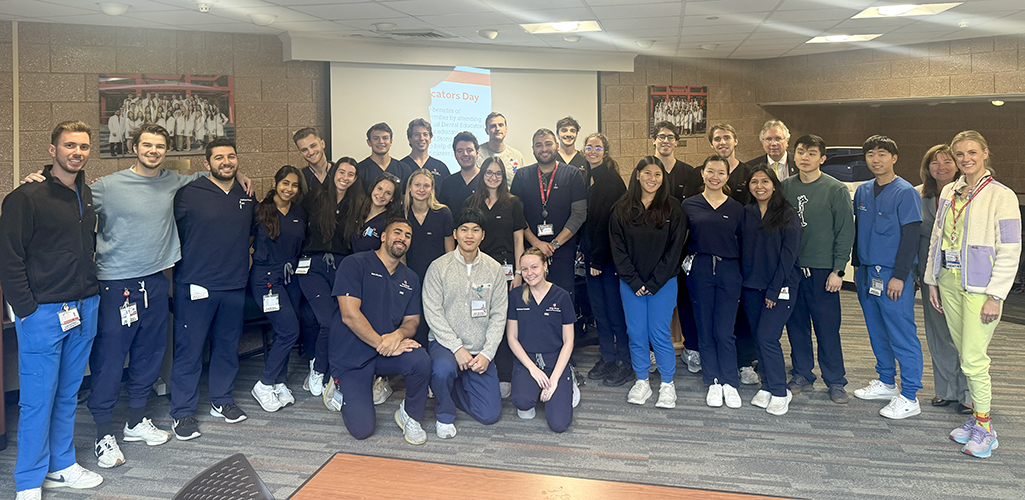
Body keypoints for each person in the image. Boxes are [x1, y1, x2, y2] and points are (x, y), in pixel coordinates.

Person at [1, 121, 104, 499]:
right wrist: (25, 309)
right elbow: (9, 257)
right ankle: (28, 480)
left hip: (85, 307)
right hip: (43, 312)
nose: (77, 152)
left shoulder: (86, 193)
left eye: (83, 146)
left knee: (67, 394)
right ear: (52, 150)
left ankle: (61, 464)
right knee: (36, 399)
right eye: (69, 145)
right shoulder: (26, 197)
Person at [925, 130, 1021, 458]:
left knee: (975, 358)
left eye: (972, 153)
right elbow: (939, 235)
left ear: (984, 153)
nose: (966, 159)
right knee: (964, 355)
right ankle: (977, 421)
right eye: (960, 154)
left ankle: (985, 427)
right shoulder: (952, 190)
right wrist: (932, 280)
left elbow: (1010, 248)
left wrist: (996, 295)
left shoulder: (1001, 195)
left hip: (981, 288)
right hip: (950, 281)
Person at [169, 138, 255, 441]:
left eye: (231, 157)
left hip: (234, 284)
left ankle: (222, 400)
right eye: (219, 158)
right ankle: (182, 413)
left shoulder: (246, 196)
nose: (226, 162)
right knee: (189, 350)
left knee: (227, 347)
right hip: (195, 283)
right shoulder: (188, 194)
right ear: (207, 164)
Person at [326, 218, 432, 444]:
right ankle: (337, 384)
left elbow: (412, 320)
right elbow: (349, 314)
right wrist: (381, 344)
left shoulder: (410, 278)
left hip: (384, 352)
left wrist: (398, 335)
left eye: (408, 235)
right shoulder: (355, 264)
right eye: (397, 232)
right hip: (352, 356)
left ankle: (410, 415)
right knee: (362, 430)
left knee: (420, 360)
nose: (402, 238)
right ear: (383, 236)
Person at [850, 135, 924, 420]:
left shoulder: (905, 192)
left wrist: (901, 276)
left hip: (893, 275)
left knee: (901, 333)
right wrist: (856, 267)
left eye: (882, 154)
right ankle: (886, 381)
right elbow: (859, 232)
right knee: (876, 329)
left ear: (894, 158)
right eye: (870, 154)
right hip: (867, 272)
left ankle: (910, 395)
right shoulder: (863, 191)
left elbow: (910, 237)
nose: (875, 159)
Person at [781, 134, 855, 404]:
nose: (805, 157)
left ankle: (835, 380)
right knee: (796, 326)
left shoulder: (835, 189)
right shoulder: (785, 187)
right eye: (801, 152)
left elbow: (845, 232)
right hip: (793, 270)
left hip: (825, 272)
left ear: (822, 159)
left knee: (827, 328)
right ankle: (802, 373)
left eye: (811, 153)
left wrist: (838, 270)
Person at [422, 208, 507, 437]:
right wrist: (457, 348)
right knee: (442, 371)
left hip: (479, 350)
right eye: (464, 229)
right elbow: (433, 313)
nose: (470, 235)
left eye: (475, 230)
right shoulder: (439, 267)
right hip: (446, 346)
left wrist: (488, 354)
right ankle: (445, 411)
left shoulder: (494, 269)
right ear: (455, 234)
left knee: (489, 415)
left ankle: (451, 388)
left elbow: (499, 315)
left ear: (483, 235)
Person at [610, 156, 686, 408]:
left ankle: (667, 384)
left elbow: (675, 249)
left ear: (663, 179)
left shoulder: (673, 207)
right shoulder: (621, 208)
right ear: (637, 175)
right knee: (636, 333)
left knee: (660, 333)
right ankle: (642, 380)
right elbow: (618, 249)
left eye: (658, 175)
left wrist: (654, 282)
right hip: (631, 284)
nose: (652, 179)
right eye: (648, 173)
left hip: (662, 283)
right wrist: (633, 281)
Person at [298, 158, 365, 398]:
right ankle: (318, 369)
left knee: (340, 320)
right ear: (333, 173)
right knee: (326, 320)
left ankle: (330, 368)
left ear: (355, 179)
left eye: (350, 174)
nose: (344, 177)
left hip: (342, 267)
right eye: (341, 172)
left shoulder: (358, 204)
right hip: (312, 266)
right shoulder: (315, 197)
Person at [683, 154, 745, 409]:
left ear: (727, 177)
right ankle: (713, 380)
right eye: (711, 171)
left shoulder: (737, 208)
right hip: (699, 270)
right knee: (705, 328)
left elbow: (745, 243)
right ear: (702, 173)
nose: (715, 177)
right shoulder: (689, 205)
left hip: (730, 270)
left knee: (725, 330)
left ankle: (730, 381)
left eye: (721, 173)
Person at [463, 157, 527, 398]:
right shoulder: (472, 202)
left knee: (504, 320)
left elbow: (518, 239)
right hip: (478, 268)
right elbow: (466, 237)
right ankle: (478, 366)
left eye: (498, 173)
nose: (493, 177)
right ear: (482, 174)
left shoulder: (513, 203)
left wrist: (519, 272)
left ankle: (505, 374)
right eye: (489, 172)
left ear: (503, 176)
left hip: (506, 269)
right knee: (480, 318)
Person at [741, 165, 802, 416]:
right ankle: (766, 383)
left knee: (768, 337)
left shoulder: (787, 214)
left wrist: (773, 291)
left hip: (781, 287)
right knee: (759, 337)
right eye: (754, 182)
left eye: (765, 181)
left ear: (774, 185)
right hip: (751, 287)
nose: (759, 186)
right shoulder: (746, 212)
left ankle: (779, 390)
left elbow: (789, 257)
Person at [915, 145, 971, 414]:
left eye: (947, 161)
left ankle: (968, 394)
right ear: (927, 168)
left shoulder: (970, 193)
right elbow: (914, 236)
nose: (941, 167)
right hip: (931, 274)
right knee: (938, 332)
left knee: (964, 334)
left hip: (963, 274)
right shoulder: (917, 195)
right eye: (934, 163)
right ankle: (946, 390)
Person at [250, 166, 308, 413]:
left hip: (291, 277)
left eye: (294, 185)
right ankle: (264, 383)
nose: (289, 189)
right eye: (285, 183)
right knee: (288, 331)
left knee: (281, 331)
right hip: (266, 279)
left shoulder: (299, 213)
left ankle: (279, 381)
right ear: (275, 183)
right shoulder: (259, 211)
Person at [510, 128, 587, 300]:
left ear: (557, 146)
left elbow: (579, 214)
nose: (543, 149)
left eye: (548, 144)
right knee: (531, 302)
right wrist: (536, 243)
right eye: (538, 145)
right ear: (533, 149)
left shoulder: (573, 174)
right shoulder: (522, 175)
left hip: (563, 251)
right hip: (530, 252)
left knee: (562, 301)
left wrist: (554, 244)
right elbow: (517, 216)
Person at [707, 123, 758, 384]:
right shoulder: (706, 174)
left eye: (727, 137)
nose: (722, 142)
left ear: (735, 140)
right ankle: (717, 361)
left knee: (743, 313)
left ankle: (746, 362)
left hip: (743, 254)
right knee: (718, 315)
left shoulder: (749, 173)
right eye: (717, 139)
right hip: (716, 259)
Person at [580, 133, 631, 387]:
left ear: (605, 151)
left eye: (597, 147)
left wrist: (598, 260)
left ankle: (624, 361)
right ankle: (607, 357)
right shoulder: (589, 177)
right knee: (600, 311)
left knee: (614, 311)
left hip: (607, 260)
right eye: (588, 147)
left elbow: (606, 225)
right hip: (593, 257)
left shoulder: (611, 181)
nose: (592, 151)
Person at [652, 121, 702, 374]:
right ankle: (652, 350)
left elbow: (692, 212)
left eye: (670, 137)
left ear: (676, 141)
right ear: (654, 140)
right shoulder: (647, 168)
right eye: (661, 136)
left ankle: (691, 348)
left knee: (686, 298)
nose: (665, 141)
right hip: (652, 250)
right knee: (653, 300)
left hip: (682, 248)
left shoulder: (689, 173)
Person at [507, 248, 576, 432]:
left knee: (559, 424)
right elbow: (512, 338)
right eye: (525, 269)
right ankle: (534, 389)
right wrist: (533, 369)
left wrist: (553, 380)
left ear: (545, 266)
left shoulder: (561, 296)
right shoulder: (515, 296)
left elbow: (569, 341)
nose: (529, 273)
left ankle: (569, 383)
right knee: (522, 402)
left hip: (555, 360)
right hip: (527, 360)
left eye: (534, 267)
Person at [405, 168, 455, 346]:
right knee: (411, 320)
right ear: (409, 187)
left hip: (437, 279)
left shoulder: (443, 213)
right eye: (417, 185)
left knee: (435, 321)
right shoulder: (402, 214)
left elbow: (450, 253)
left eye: (426, 185)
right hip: (409, 277)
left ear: (432, 189)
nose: (421, 189)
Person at [351, 173, 403, 253]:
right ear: (372, 188)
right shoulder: (356, 209)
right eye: (379, 189)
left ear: (392, 198)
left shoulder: (390, 222)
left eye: (388, 193)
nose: (381, 195)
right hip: (348, 262)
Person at [357, 122, 413, 194]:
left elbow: (407, 198)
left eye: (385, 138)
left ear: (391, 142)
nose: (381, 141)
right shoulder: (360, 170)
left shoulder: (404, 169)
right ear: (369, 142)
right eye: (376, 138)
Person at [437, 131, 482, 210]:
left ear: (477, 152)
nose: (465, 154)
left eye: (469, 150)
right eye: (460, 151)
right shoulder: (448, 183)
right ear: (455, 154)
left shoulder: (487, 180)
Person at [477, 112, 525, 185]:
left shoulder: (517, 156)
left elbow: (522, 183)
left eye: (500, 125)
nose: (497, 128)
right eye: (493, 126)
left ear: (506, 128)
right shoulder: (477, 154)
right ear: (486, 131)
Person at [293, 127, 330, 192]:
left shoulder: (340, 173)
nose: (311, 152)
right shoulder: (298, 177)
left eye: (313, 146)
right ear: (301, 153)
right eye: (304, 150)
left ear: (322, 144)